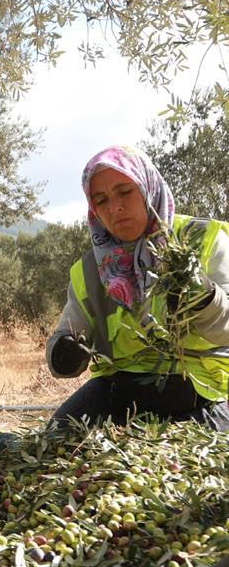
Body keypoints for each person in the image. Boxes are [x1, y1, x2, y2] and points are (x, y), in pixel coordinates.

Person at [47, 144, 229, 430]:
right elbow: (66, 335)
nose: (115, 207)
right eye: (101, 199)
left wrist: (204, 297)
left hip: (201, 390)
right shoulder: (90, 269)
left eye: (124, 191)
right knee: (59, 437)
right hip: (120, 391)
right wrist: (64, 354)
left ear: (147, 187)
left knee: (183, 462)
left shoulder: (202, 239)